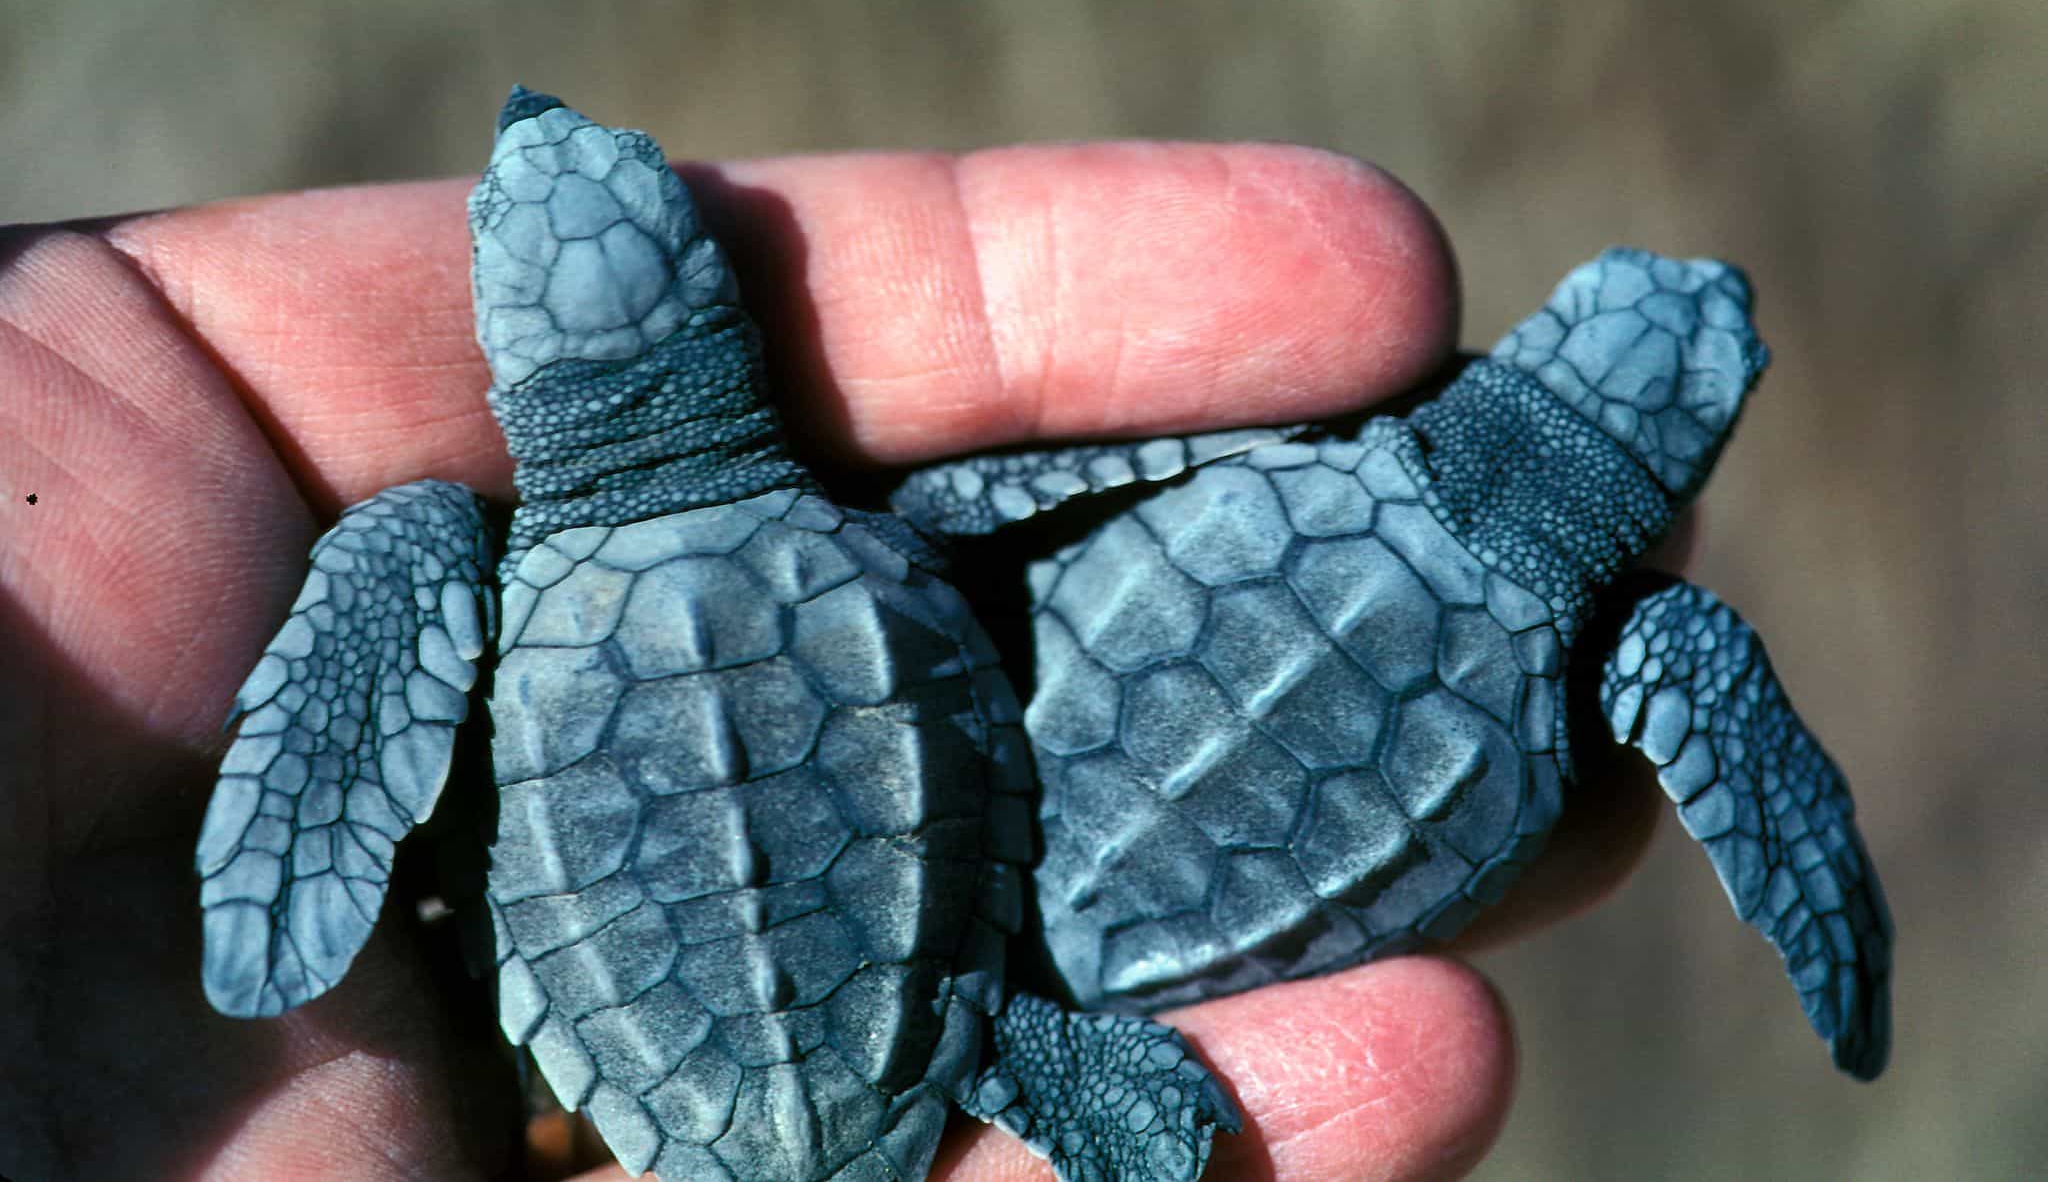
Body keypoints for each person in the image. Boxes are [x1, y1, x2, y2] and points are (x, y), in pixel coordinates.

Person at [0, 138, 1672, 1180]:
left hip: (642, 1039)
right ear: (707, 312)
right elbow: (1026, 555)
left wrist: (283, 877)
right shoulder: (871, 532)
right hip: (920, 1011)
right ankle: (1022, 1059)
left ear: (524, 354)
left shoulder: (445, 547)